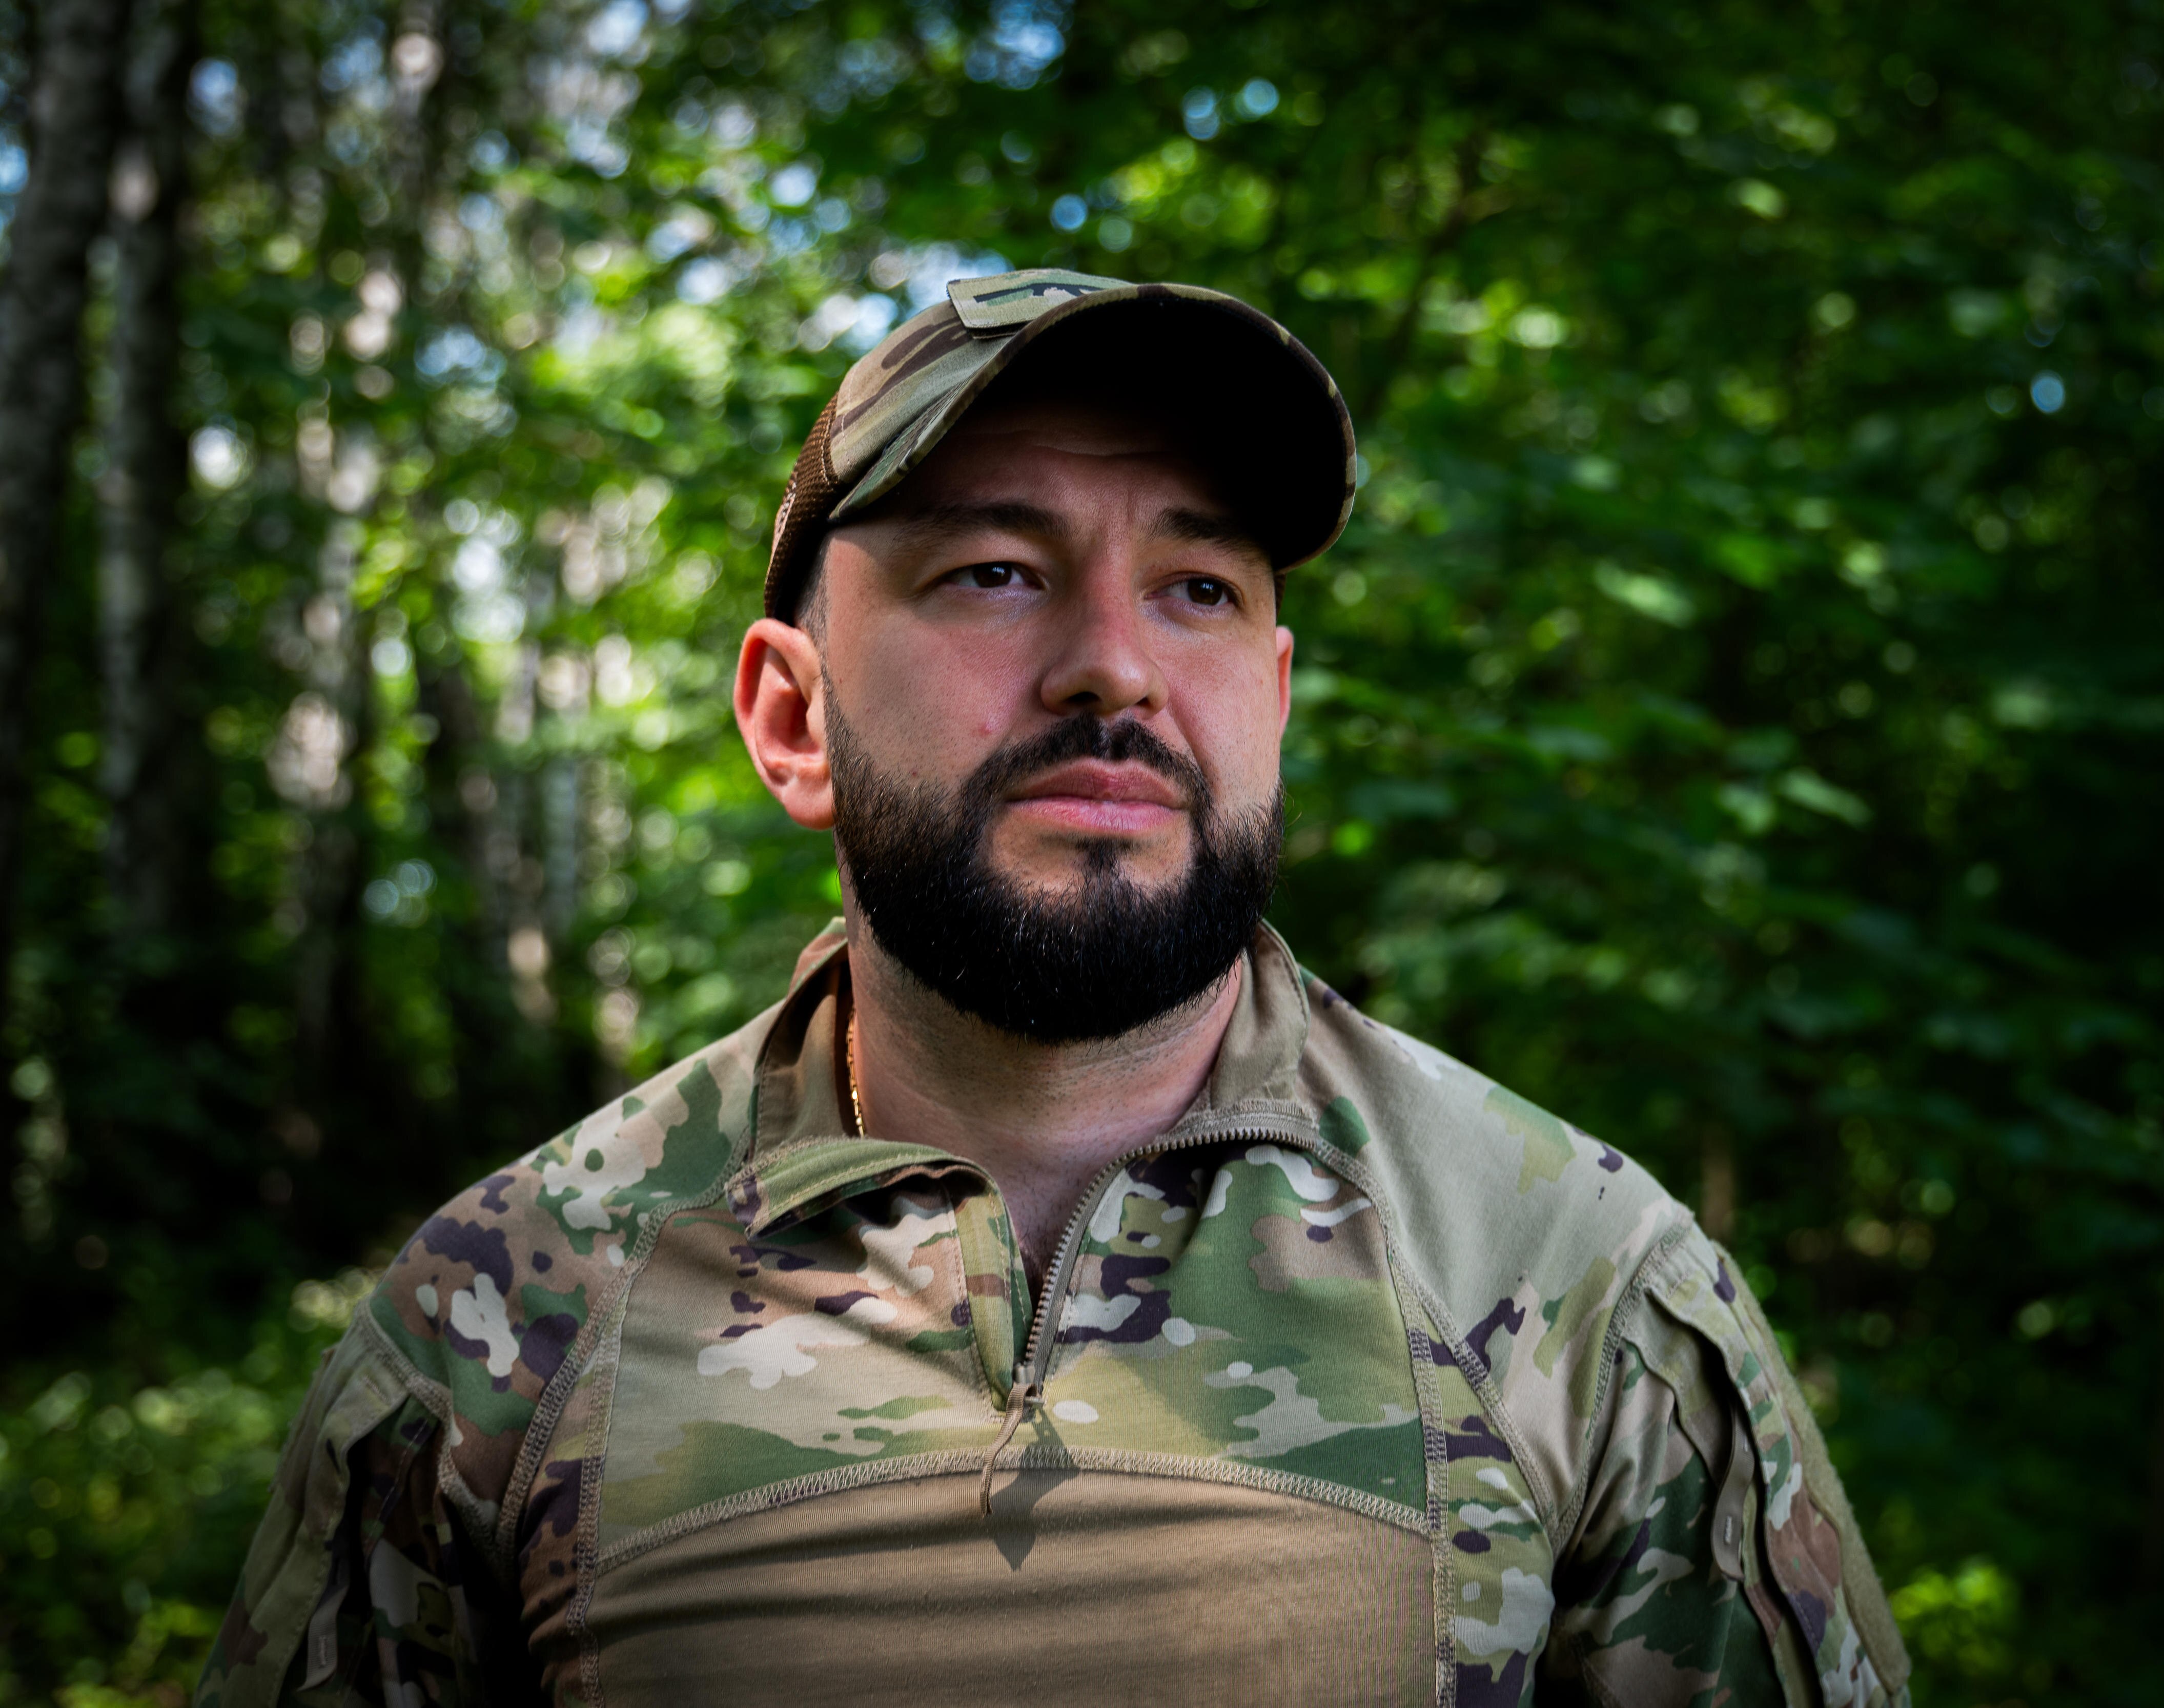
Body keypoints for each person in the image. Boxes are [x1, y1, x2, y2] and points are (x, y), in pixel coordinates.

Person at [198, 269, 1911, 1708]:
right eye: (995, 573)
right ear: (794, 717)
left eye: (1200, 590)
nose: (1114, 663)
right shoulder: (504, 1316)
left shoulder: (1575, 1279)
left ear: (1277, 697)